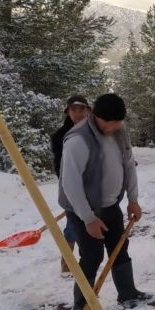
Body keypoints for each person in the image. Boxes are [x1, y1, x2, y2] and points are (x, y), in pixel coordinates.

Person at [59, 93, 148, 310]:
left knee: (120, 248)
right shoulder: (77, 139)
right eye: (109, 122)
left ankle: (128, 293)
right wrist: (88, 218)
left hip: (110, 206)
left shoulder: (119, 130)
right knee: (91, 256)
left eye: (118, 122)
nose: (114, 126)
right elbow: (70, 184)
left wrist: (133, 199)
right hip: (81, 210)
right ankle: (81, 307)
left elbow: (128, 164)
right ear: (95, 117)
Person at [50, 95, 90, 274]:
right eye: (74, 109)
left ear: (88, 110)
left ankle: (88, 261)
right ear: (68, 112)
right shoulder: (60, 136)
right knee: (73, 226)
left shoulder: (96, 131)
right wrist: (71, 185)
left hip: (95, 187)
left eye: (81, 109)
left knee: (92, 224)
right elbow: (59, 165)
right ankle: (67, 264)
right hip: (72, 188)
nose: (78, 113)